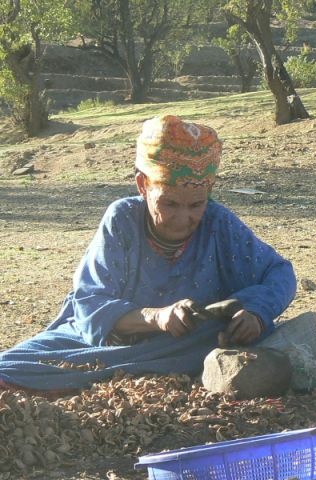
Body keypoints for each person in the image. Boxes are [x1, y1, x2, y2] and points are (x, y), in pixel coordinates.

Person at [0, 115, 297, 396]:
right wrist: (157, 317)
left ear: (210, 190)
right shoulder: (122, 219)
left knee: (223, 341)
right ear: (143, 185)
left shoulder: (218, 222)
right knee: (12, 369)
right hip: (100, 346)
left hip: (184, 346)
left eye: (195, 205)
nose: (183, 218)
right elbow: (90, 306)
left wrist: (257, 312)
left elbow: (279, 273)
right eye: (169, 204)